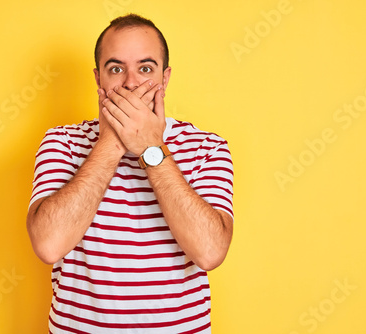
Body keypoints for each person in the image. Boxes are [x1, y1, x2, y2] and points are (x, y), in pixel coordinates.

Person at [26, 13, 234, 333]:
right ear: (98, 79)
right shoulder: (62, 142)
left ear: (165, 79)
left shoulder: (207, 147)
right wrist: (111, 143)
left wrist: (151, 147)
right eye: (116, 68)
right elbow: (49, 245)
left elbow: (209, 252)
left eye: (145, 68)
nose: (131, 83)